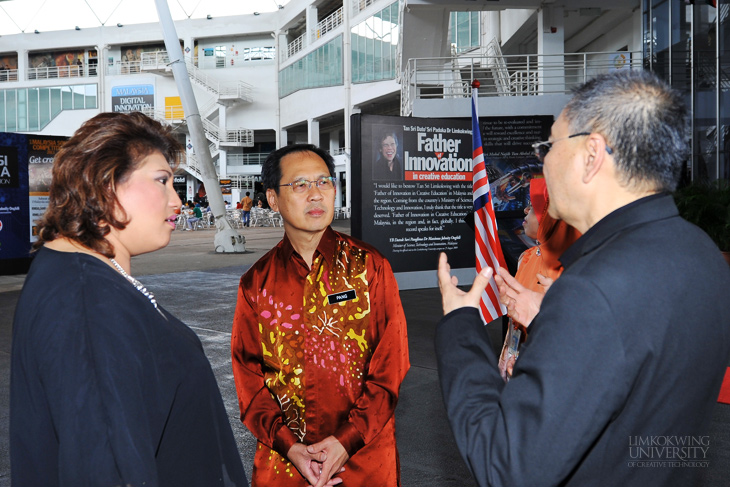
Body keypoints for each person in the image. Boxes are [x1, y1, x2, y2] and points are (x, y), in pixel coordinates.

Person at [435, 70, 730, 486]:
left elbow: (504, 465)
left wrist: (460, 326)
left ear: (592, 154)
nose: (543, 159)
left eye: (550, 144)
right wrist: (550, 322)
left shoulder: (593, 289)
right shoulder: (702, 253)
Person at [10, 112, 248, 487]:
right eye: (162, 181)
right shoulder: (87, 302)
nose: (177, 202)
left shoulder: (82, 276)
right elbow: (105, 465)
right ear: (106, 183)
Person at [231, 143, 409, 487]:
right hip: (285, 466)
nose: (316, 195)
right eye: (300, 185)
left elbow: (392, 365)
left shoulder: (369, 267)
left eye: (324, 182)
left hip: (363, 460)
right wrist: (290, 447)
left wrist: (347, 440)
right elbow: (248, 379)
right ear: (272, 199)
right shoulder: (256, 283)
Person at [497, 177, 581, 380]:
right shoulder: (526, 257)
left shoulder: (572, 265)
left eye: (533, 207)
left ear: (551, 216)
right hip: (517, 360)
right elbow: (514, 317)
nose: (525, 211)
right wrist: (506, 351)